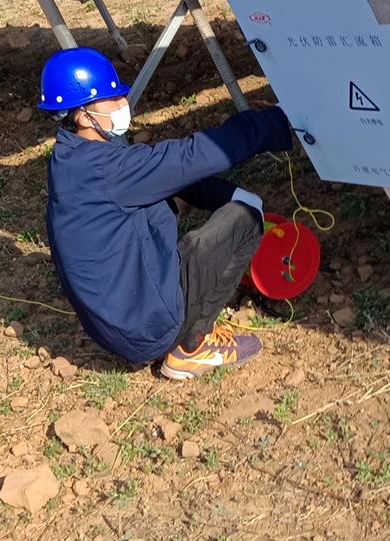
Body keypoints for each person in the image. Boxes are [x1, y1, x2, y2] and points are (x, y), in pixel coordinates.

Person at [39, 47, 293, 380]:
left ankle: (175, 324)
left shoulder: (74, 157)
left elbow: (167, 177)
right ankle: (190, 348)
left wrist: (227, 194)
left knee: (176, 203)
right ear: (84, 115)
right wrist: (280, 119)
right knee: (243, 218)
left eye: (121, 95)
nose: (123, 105)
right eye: (112, 100)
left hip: (118, 321)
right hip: (146, 328)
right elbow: (192, 156)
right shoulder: (107, 168)